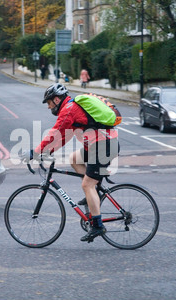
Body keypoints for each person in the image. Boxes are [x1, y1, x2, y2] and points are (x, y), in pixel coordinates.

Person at [25, 84, 120, 243]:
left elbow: (55, 132)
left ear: (56, 99)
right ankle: (95, 192)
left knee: (86, 185)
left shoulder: (69, 109)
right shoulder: (71, 108)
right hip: (99, 145)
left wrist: (35, 152)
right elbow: (63, 137)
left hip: (103, 146)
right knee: (74, 159)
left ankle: (97, 226)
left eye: (49, 103)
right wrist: (47, 152)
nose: (49, 107)